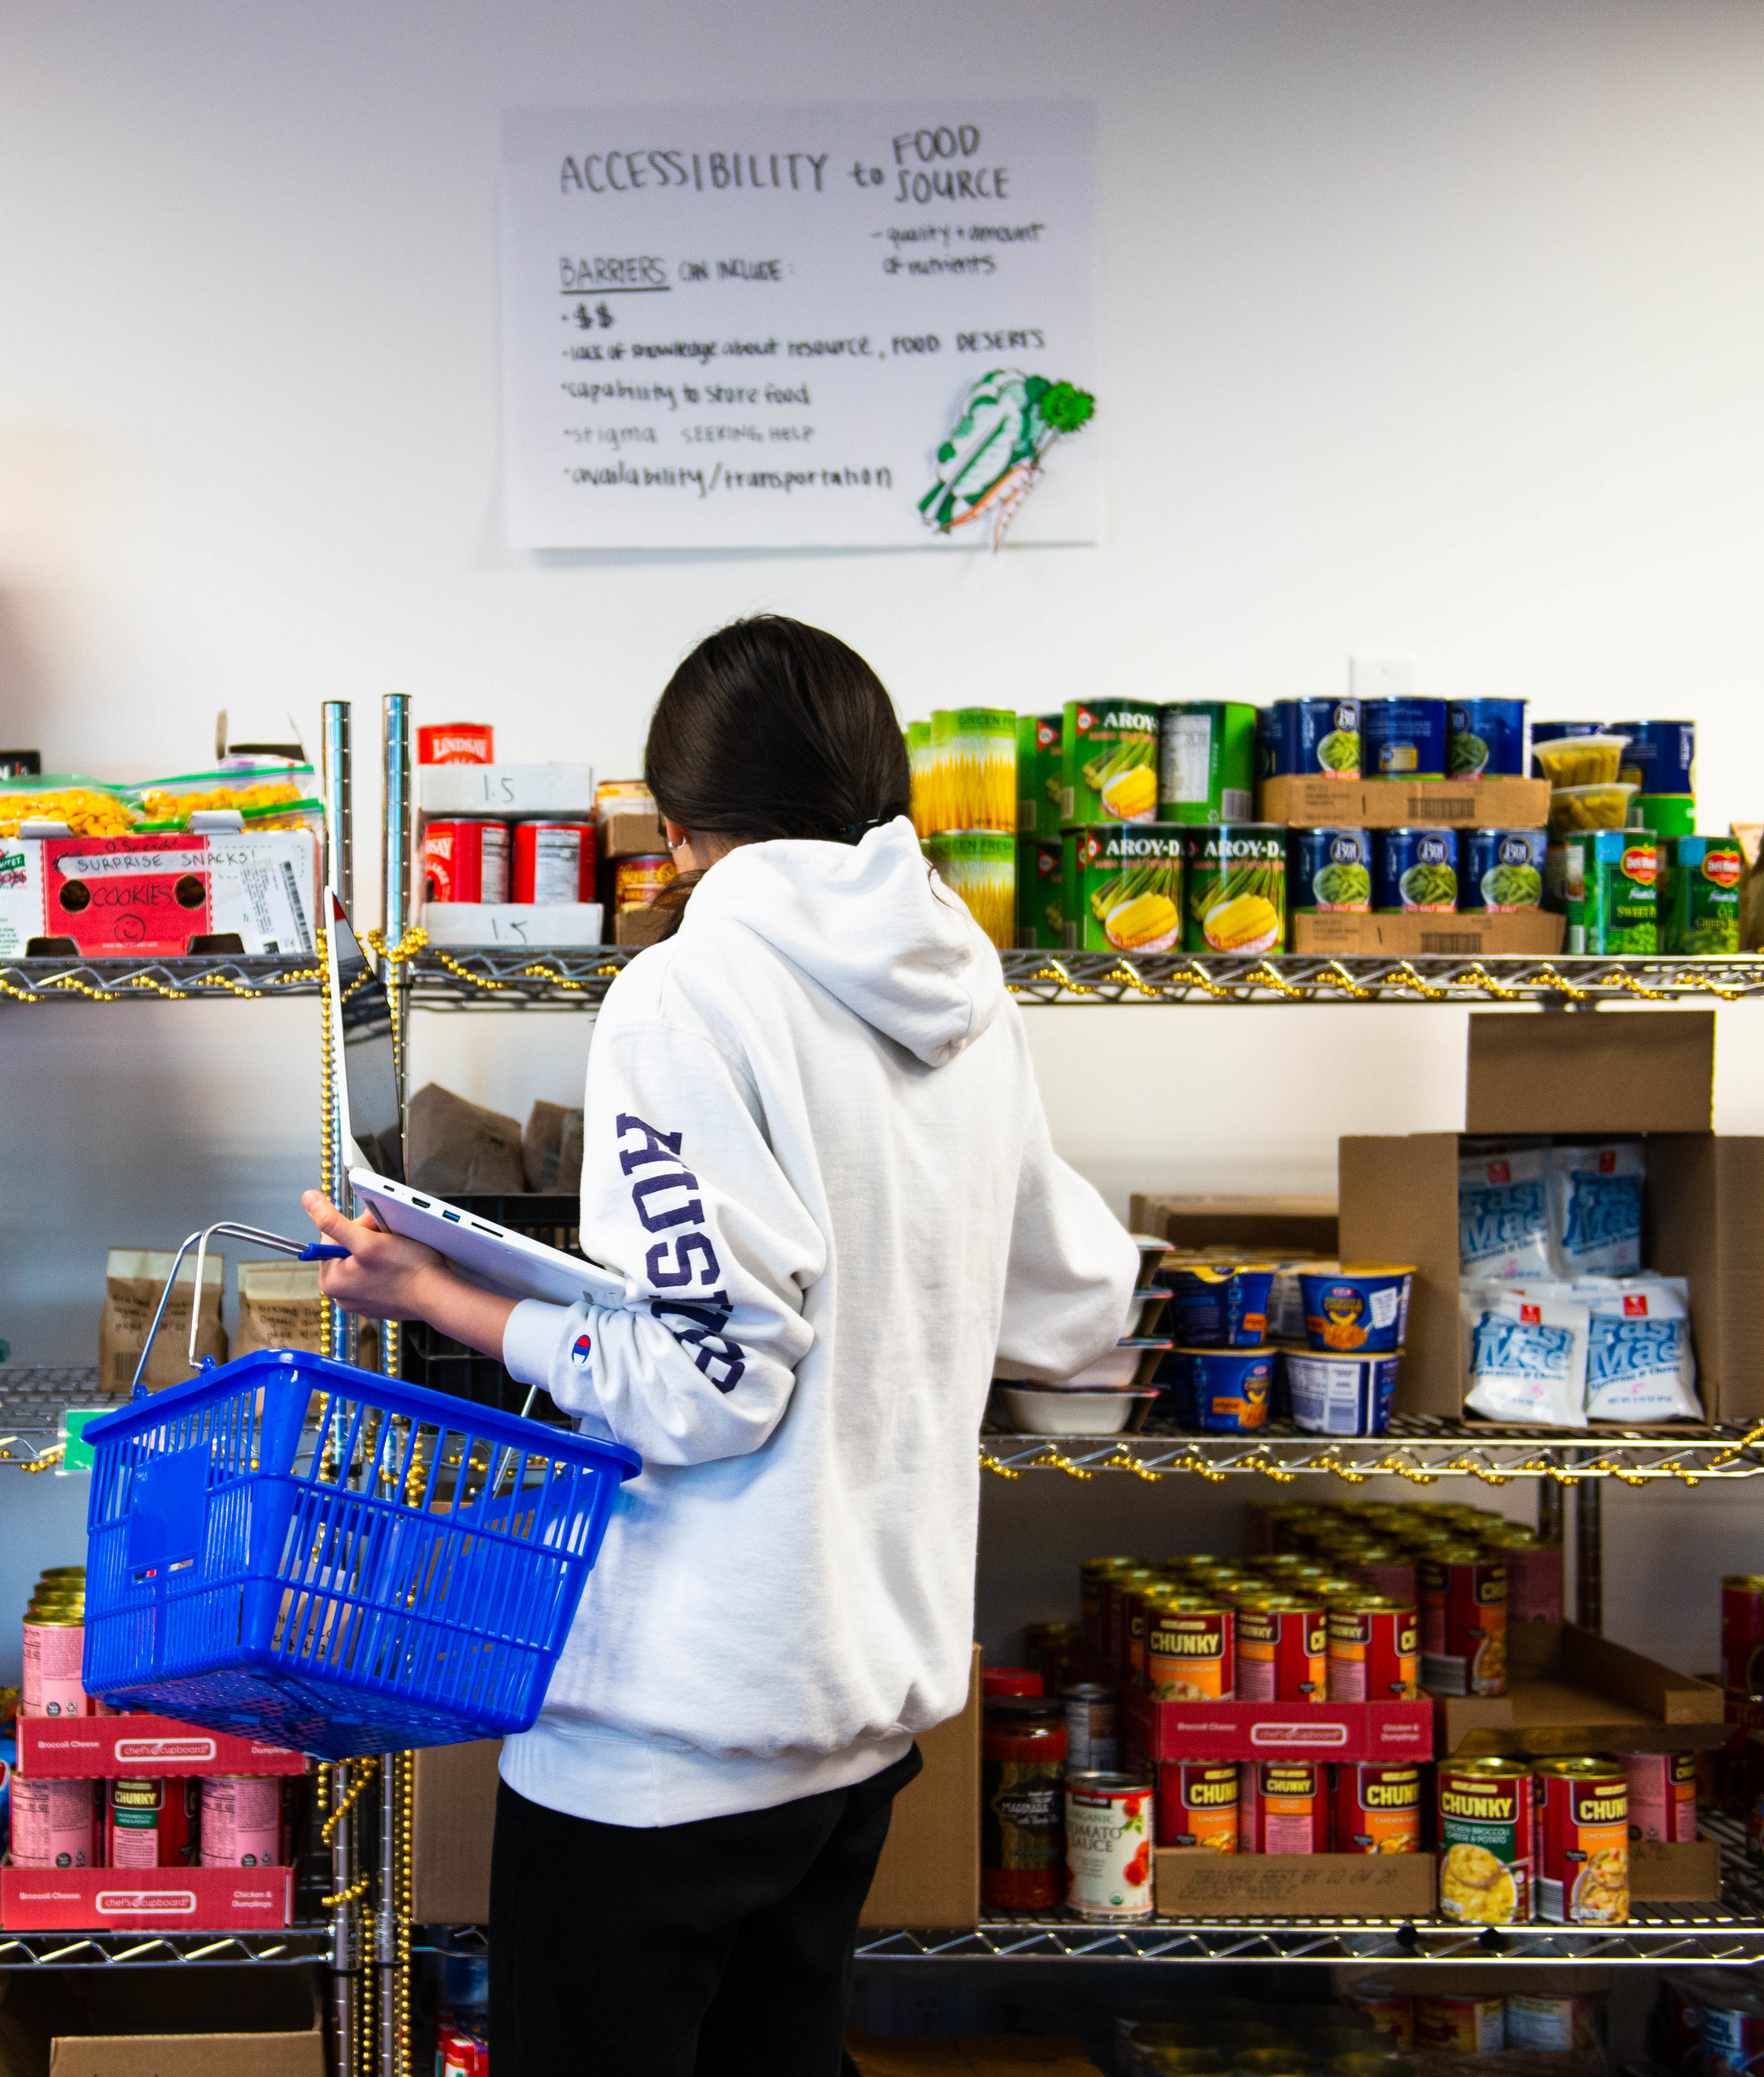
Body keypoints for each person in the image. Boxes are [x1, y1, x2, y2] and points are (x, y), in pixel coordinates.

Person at [302, 614, 1137, 2074]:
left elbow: (702, 1388)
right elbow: (1073, 1307)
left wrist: (446, 1298)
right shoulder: (967, 989)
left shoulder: (691, 991)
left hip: (674, 1732)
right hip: (861, 1713)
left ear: (676, 825)